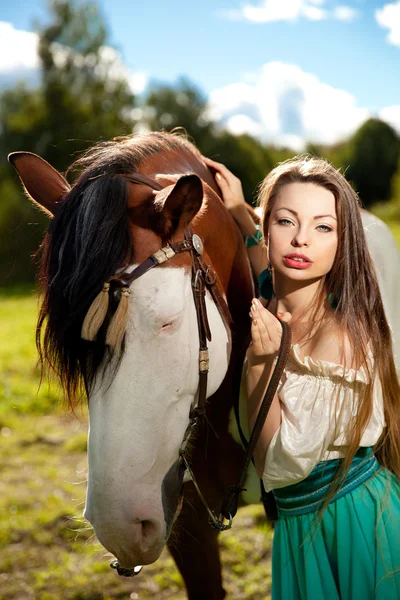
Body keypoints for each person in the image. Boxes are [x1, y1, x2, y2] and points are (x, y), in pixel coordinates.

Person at [204, 155, 400, 599]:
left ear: (343, 241)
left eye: (323, 227)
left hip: (348, 526)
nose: (301, 240)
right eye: (285, 221)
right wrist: (237, 207)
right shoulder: (273, 295)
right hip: (299, 530)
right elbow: (259, 252)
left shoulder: (339, 343)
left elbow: (276, 464)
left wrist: (262, 363)